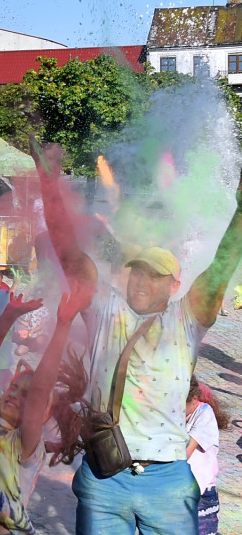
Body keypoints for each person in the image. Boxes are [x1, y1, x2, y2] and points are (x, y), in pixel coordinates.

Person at [32, 141, 242, 535]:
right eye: (138, 271)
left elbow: (220, 268)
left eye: (155, 274)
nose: (142, 280)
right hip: (104, 475)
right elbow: (71, 255)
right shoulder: (105, 310)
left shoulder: (186, 321)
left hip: (167, 479)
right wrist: (49, 184)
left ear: (174, 284)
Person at [0, 288, 87, 535]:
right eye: (13, 387)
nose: (14, 394)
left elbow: (39, 393)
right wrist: (8, 317)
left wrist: (63, 325)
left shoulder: (26, 445)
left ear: (43, 414)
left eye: (27, 395)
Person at [186, 376, 228, 535]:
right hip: (177, 490)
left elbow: (185, 452)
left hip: (201, 493)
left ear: (194, 399)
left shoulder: (204, 414)